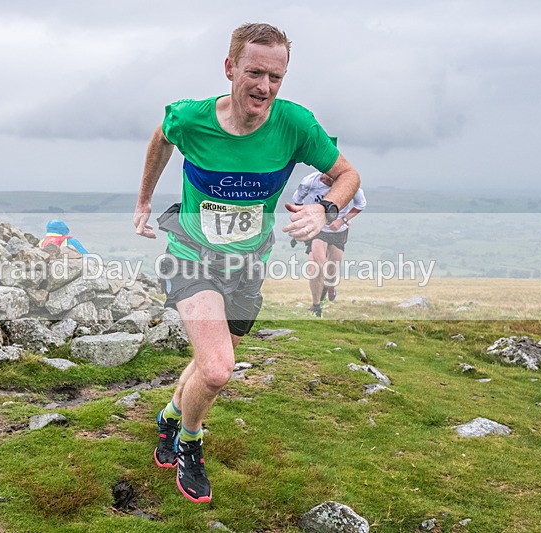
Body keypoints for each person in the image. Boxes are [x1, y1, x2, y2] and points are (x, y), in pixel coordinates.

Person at [133, 22, 360, 503]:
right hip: (191, 258)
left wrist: (327, 208)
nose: (264, 87)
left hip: (248, 268)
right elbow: (161, 135)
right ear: (230, 67)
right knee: (217, 369)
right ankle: (189, 443)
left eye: (276, 77)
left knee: (208, 359)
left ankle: (171, 416)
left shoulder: (295, 125)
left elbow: (346, 174)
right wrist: (143, 201)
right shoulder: (192, 118)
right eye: (255, 73)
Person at [292, 172, 366, 317]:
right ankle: (316, 305)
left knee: (332, 271)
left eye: (334, 178)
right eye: (328, 176)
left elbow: (361, 204)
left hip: (339, 229)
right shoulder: (309, 181)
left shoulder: (348, 182)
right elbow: (297, 200)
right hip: (318, 228)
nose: (331, 180)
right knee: (317, 266)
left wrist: (342, 220)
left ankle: (330, 286)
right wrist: (303, 221)